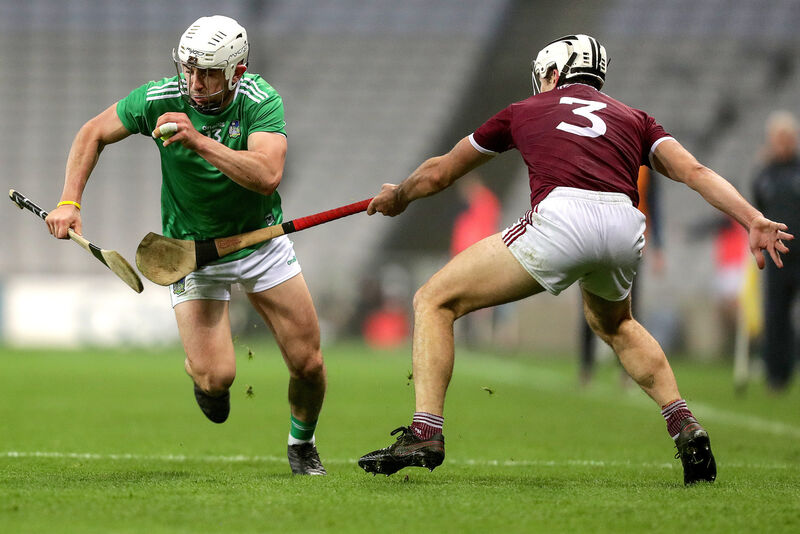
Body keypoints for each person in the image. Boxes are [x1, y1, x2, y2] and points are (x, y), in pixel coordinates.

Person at [357, 34, 792, 485]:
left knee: (433, 300)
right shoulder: (636, 118)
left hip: (562, 216)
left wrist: (399, 195)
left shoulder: (523, 110)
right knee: (616, 324)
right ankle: (683, 422)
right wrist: (753, 218)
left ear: (553, 73)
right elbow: (695, 173)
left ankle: (426, 431)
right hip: (624, 224)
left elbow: (441, 172)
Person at [45, 15, 327, 475]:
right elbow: (92, 132)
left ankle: (302, 444)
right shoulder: (160, 97)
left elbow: (267, 176)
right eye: (189, 70)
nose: (195, 82)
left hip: (260, 243)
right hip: (190, 254)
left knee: (309, 363)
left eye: (209, 72)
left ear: (237, 71)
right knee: (217, 378)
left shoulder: (261, 101)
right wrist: (69, 201)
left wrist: (197, 141)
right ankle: (205, 379)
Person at [578, 165, 665, 386]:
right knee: (590, 305)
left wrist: (659, 246)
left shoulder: (645, 167)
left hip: (632, 244)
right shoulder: (601, 154)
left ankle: (626, 371)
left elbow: (654, 204)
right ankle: (586, 367)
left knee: (628, 309)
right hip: (597, 241)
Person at [752, 110, 800, 392]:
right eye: (777, 138)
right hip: (776, 256)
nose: (781, 142)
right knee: (776, 315)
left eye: (786, 137)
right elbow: (757, 208)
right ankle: (776, 375)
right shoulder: (763, 174)